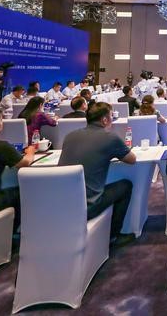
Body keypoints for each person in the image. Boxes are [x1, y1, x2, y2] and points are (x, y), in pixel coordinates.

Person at [58, 102, 136, 246]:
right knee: (125, 185)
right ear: (105, 120)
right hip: (88, 206)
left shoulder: (69, 136)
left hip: (61, 202)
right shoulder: (110, 138)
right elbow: (132, 160)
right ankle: (114, 237)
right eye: (111, 116)